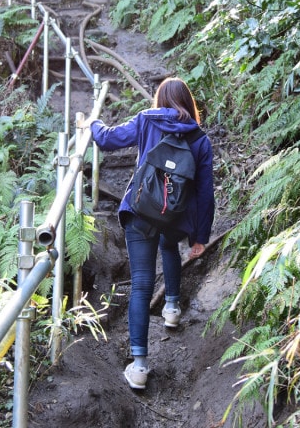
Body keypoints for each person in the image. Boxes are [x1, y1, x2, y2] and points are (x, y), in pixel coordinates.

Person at [89, 77, 215, 390]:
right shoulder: (200, 138)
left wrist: (92, 123)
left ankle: (140, 366)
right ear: (189, 103)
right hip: (175, 216)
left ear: (160, 99)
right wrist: (200, 237)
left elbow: (107, 139)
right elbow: (204, 193)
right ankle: (172, 308)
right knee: (169, 245)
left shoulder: (147, 119)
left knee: (142, 284)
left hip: (142, 210)